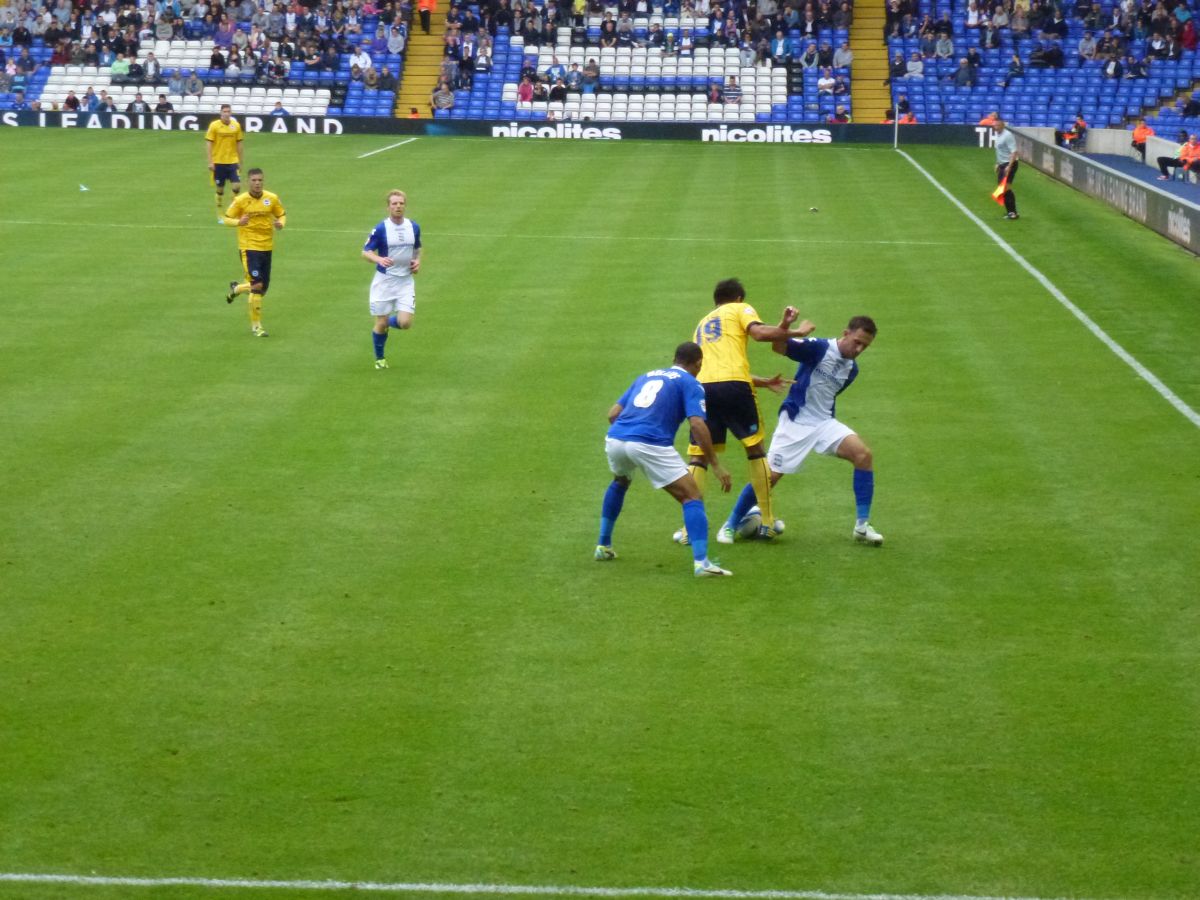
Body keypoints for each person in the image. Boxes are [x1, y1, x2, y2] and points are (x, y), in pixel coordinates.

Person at [717, 317, 882, 546]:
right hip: (795, 421)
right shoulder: (819, 347)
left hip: (824, 423)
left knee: (863, 455)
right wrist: (791, 328)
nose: (859, 349)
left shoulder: (852, 369)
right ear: (845, 333)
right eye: (857, 342)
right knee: (770, 477)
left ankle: (862, 527)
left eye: (865, 346)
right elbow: (777, 345)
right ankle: (730, 525)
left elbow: (827, 396)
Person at [677, 279, 811, 545]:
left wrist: (762, 382)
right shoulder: (739, 309)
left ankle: (688, 530)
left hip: (702, 388)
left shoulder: (702, 325)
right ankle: (768, 523)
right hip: (735, 387)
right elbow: (760, 334)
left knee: (698, 458)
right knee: (756, 450)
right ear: (738, 298)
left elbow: (717, 368)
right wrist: (795, 332)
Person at [595, 342, 734, 576]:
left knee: (620, 481)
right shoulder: (691, 383)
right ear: (698, 363)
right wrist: (716, 464)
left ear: (675, 358)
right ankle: (702, 564)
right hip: (650, 442)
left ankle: (603, 545)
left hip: (616, 437)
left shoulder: (645, 376)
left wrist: (629, 437)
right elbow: (698, 424)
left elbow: (613, 414)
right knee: (692, 496)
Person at [221, 167, 286, 338]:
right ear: (248, 182)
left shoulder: (271, 198)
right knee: (257, 285)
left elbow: (282, 214)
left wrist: (281, 223)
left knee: (262, 289)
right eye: (254, 180)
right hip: (249, 247)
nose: (257, 183)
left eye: (260, 180)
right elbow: (226, 218)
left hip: (267, 247)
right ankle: (256, 327)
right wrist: (238, 222)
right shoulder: (241, 200)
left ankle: (236, 289)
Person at [362, 189, 422, 370]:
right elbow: (365, 252)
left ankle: (384, 322)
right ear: (388, 207)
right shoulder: (381, 229)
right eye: (394, 203)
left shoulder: (414, 226)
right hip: (385, 282)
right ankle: (380, 359)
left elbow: (418, 248)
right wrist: (379, 259)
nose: (398, 206)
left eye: (401, 203)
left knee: (405, 323)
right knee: (380, 323)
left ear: (405, 205)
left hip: (405, 281)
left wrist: (417, 261)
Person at [205, 103, 243, 220]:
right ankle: (219, 212)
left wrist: (240, 161)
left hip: (232, 161)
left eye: (228, 111)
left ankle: (232, 212)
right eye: (224, 111)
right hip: (219, 162)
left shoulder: (236, 126)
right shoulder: (214, 126)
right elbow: (209, 144)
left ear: (231, 113)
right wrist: (210, 161)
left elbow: (239, 143)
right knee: (220, 189)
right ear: (221, 113)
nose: (227, 114)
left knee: (236, 186)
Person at [993, 117, 1019, 219]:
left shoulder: (1007, 136)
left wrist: (1009, 166)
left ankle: (1013, 213)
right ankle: (1011, 212)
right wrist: (998, 163)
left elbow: (1014, 152)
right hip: (1003, 164)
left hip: (1009, 164)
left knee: (1005, 188)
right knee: (1002, 188)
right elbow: (1001, 151)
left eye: (998, 125)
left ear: (1003, 125)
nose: (996, 127)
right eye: (994, 125)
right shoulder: (999, 135)